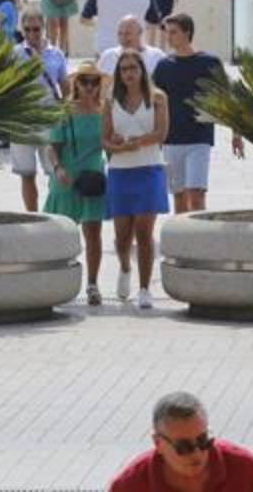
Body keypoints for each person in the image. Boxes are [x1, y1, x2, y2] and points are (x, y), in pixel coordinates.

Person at [154, 13, 243, 214]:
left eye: (174, 32)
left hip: (199, 138)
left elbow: (227, 96)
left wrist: (236, 133)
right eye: (168, 33)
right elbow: (154, 102)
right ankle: (182, 239)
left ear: (188, 33)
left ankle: (198, 234)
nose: (169, 37)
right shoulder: (163, 66)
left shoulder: (209, 62)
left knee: (196, 193)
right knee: (179, 195)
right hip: (171, 140)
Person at [104, 49, 169, 309]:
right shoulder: (110, 100)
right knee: (122, 236)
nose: (129, 73)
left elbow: (162, 133)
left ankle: (144, 289)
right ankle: (124, 268)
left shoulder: (158, 97)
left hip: (149, 168)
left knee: (144, 232)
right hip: (120, 171)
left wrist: (138, 142)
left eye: (133, 68)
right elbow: (104, 139)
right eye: (124, 69)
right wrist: (119, 147)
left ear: (142, 70)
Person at [109, 391, 253, 492]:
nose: (197, 453)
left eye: (203, 440)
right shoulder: (129, 486)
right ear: (158, 443)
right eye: (183, 446)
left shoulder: (246, 469)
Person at [45, 60, 107, 305]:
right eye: (84, 81)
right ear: (75, 83)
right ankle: (59, 282)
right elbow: (53, 147)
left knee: (93, 232)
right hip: (67, 176)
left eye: (94, 81)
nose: (89, 86)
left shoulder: (105, 111)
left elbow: (111, 145)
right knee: (61, 233)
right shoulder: (65, 111)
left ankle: (92, 284)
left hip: (93, 176)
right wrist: (58, 168)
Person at [11, 9, 67, 211]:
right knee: (27, 173)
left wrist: (66, 112)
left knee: (54, 170)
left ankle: (53, 212)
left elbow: (64, 85)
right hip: (23, 119)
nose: (32, 34)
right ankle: (32, 215)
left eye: (36, 29)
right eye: (27, 30)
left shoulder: (56, 53)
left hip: (50, 117)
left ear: (43, 28)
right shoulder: (14, 54)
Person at [97, 15, 166, 80]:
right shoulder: (108, 56)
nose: (123, 38)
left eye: (128, 33)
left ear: (139, 33)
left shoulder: (157, 56)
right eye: (120, 33)